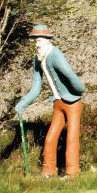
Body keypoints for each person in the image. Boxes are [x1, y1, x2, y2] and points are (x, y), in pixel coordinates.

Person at [14, 24, 86, 177]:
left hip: (72, 102)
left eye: (39, 40)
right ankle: (48, 172)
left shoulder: (55, 54)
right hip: (58, 103)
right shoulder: (37, 59)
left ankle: (72, 173)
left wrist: (79, 89)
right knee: (50, 138)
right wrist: (23, 102)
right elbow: (36, 87)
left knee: (72, 137)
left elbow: (69, 73)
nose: (36, 44)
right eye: (35, 40)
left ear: (47, 40)